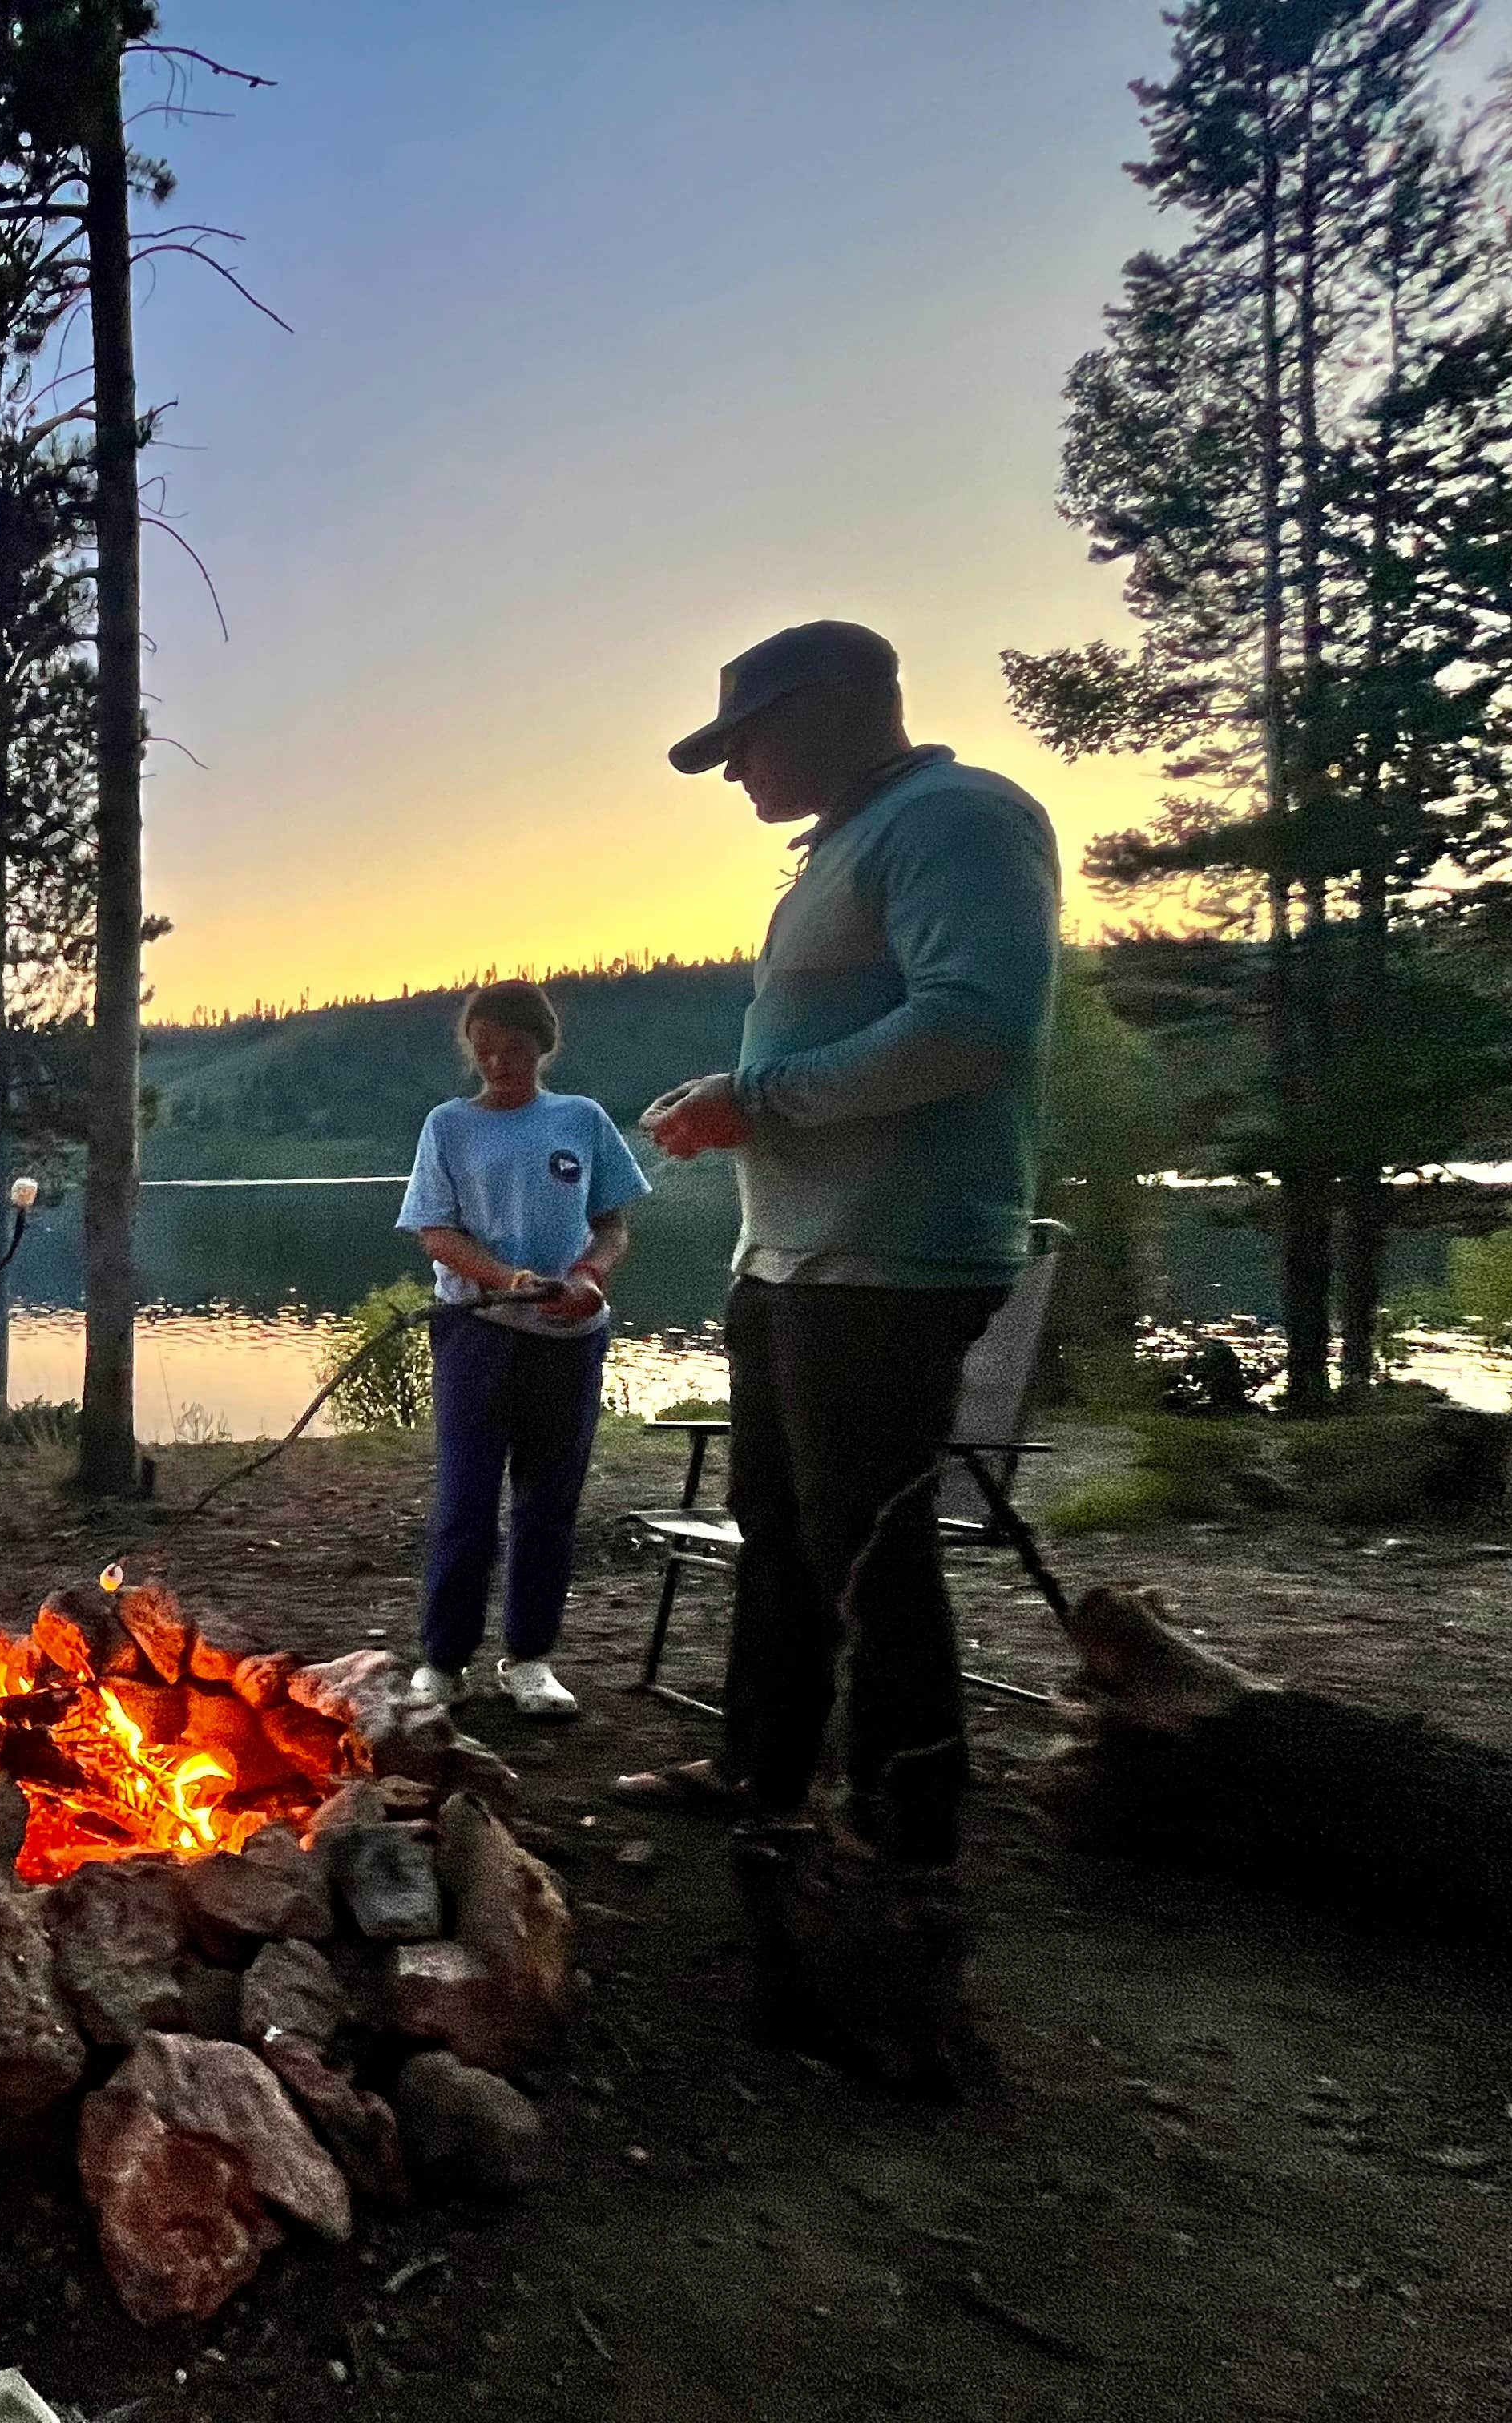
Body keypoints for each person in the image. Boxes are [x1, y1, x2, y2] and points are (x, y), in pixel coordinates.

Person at [631, 620, 1060, 1895]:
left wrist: (761, 1098)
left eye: (742, 742)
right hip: (799, 1258)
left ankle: (904, 1817)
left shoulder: (960, 819)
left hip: (892, 1260)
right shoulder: (853, 841)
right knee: (778, 1524)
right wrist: (742, 1098)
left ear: (827, 710)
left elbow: (975, 1026)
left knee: (870, 1544)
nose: (732, 774)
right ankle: (762, 1768)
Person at [397, 978, 652, 1721]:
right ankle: (444, 1663)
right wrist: (507, 1278)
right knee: (466, 1503)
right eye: (485, 1051)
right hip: (479, 1331)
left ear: (543, 1046)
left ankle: (530, 1660)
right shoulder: (449, 1125)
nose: (500, 1064)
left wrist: (589, 1273)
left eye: (514, 1049)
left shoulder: (582, 1119)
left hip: (571, 1339)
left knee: (549, 1503)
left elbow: (612, 1224)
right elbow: (435, 1233)